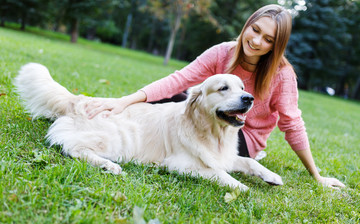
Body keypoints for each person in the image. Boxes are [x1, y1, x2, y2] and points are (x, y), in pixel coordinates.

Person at [86, 4, 345, 189]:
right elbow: (179, 79)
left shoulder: (282, 75)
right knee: (175, 99)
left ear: (275, 45)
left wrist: (317, 175)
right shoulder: (223, 52)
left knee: (184, 124)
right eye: (254, 30)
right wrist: (124, 101)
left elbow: (292, 124)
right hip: (209, 120)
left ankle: (180, 158)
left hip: (243, 136)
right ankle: (119, 130)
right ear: (247, 26)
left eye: (268, 39)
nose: (256, 41)